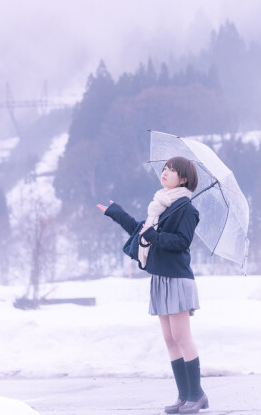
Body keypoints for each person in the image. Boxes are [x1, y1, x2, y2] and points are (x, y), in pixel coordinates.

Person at [97, 156, 209, 415]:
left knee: (182, 337)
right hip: (160, 277)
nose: (165, 172)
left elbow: (181, 242)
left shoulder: (187, 209)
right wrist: (116, 214)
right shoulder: (159, 205)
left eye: (171, 170)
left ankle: (197, 394)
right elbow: (141, 231)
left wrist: (151, 234)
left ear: (184, 179)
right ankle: (184, 396)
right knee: (170, 339)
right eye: (164, 168)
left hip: (178, 278)